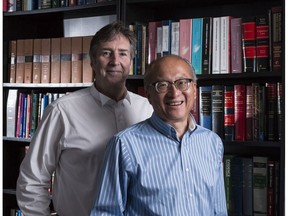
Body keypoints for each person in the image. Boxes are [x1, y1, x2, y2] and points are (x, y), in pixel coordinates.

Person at [16, 21, 153, 216]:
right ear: (92, 61)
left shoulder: (147, 110)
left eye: (123, 53)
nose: (115, 61)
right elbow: (32, 179)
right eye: (106, 53)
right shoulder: (62, 112)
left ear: (131, 61)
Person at [90, 55, 228, 216]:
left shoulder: (212, 142)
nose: (174, 93)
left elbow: (219, 210)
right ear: (148, 94)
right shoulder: (124, 144)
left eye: (182, 83)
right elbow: (106, 212)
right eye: (162, 85)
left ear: (194, 90)